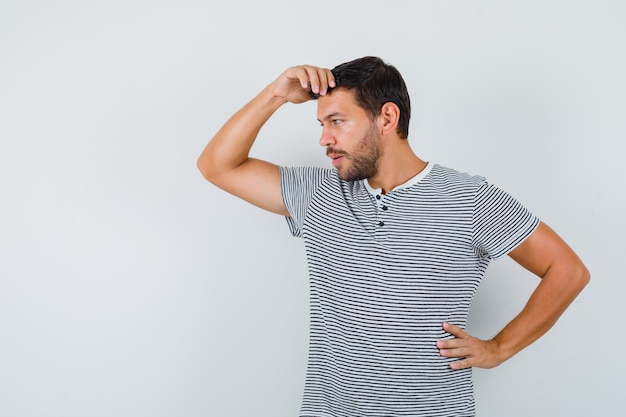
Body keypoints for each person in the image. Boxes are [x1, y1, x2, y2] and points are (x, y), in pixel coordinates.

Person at [197, 56, 590, 417]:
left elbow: (567, 270)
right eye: (321, 124)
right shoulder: (320, 193)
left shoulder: (469, 198)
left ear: (386, 118)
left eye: (337, 121)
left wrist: (499, 349)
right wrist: (275, 95)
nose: (324, 139)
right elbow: (217, 166)